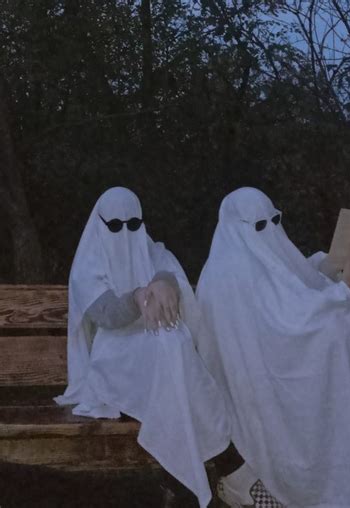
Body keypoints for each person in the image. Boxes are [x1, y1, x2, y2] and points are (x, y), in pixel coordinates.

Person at [195, 187, 350, 508]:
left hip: (267, 385)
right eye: (259, 225)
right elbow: (296, 327)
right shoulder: (231, 273)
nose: (269, 230)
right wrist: (346, 289)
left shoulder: (245, 259)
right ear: (236, 227)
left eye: (275, 220)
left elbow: (294, 290)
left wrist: (334, 268)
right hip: (255, 398)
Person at [54, 187, 230, 508]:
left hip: (151, 354)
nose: (126, 233)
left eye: (134, 225)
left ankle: (182, 476)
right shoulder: (87, 267)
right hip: (111, 356)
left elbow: (166, 266)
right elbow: (106, 314)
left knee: (171, 342)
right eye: (116, 226)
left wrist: (164, 281)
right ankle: (217, 468)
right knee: (171, 346)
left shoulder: (149, 251)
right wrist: (137, 296)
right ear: (101, 223)